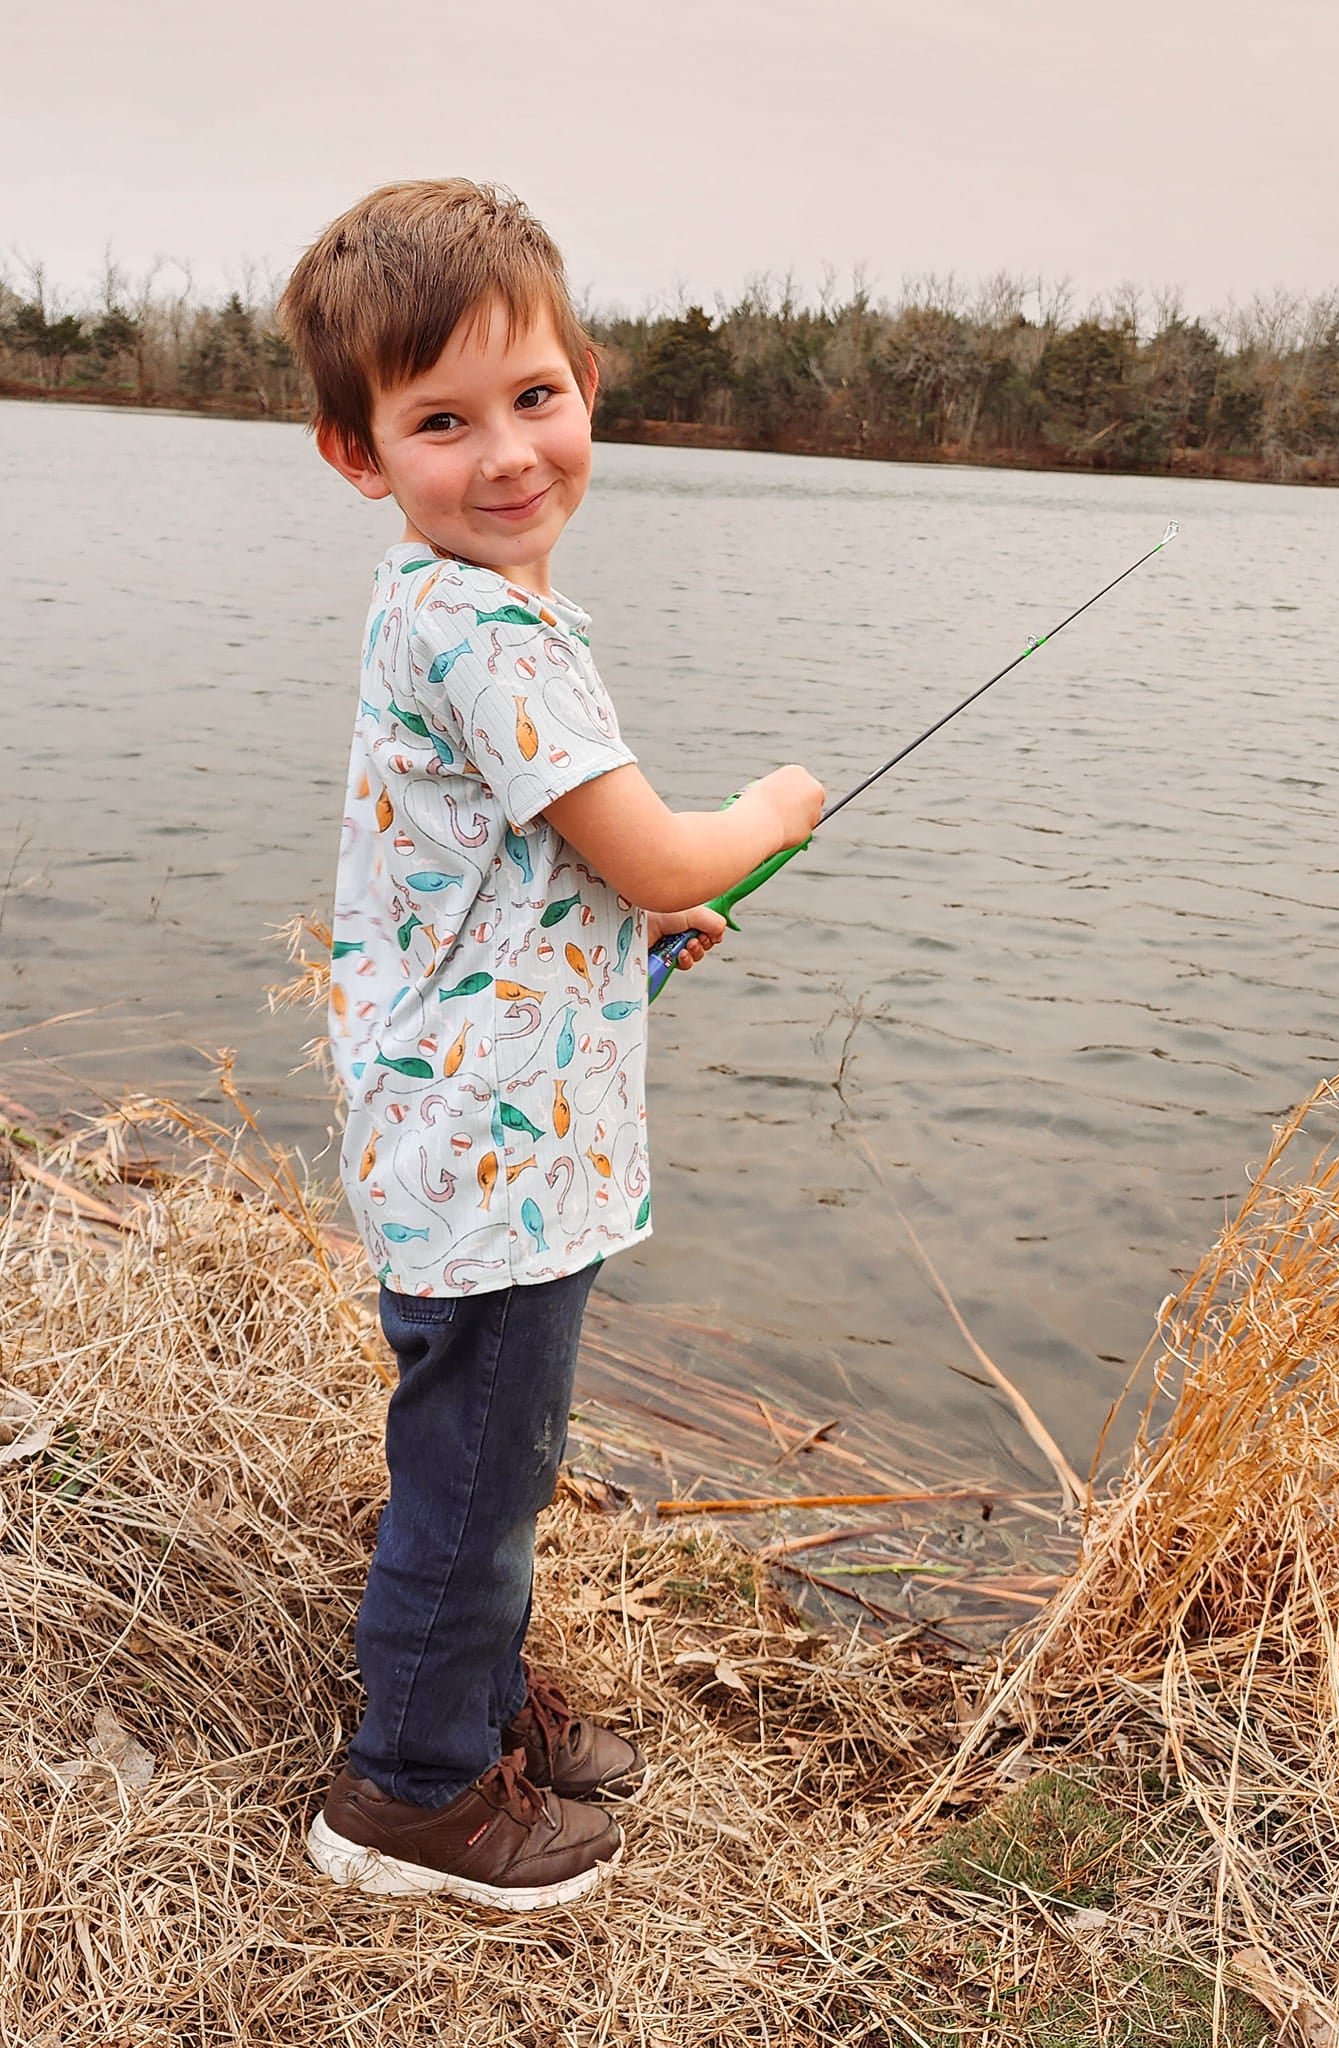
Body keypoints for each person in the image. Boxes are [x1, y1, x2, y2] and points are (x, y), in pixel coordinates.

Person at [278, 179, 824, 1912]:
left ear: (589, 384)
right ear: (358, 453)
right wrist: (762, 815)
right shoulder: (494, 631)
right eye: (441, 421)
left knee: (480, 1451)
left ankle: (476, 1692)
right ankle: (415, 1795)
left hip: (457, 1126)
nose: (508, 453)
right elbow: (661, 838)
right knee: (481, 1469)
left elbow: (531, 862)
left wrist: (629, 919)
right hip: (498, 1161)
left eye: (534, 399)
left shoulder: (433, 605)